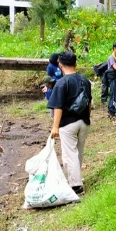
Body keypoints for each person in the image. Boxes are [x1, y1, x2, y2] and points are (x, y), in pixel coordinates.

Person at [47, 51, 92, 194]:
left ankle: (76, 186)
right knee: (78, 151)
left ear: (60, 65)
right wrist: (87, 118)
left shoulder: (61, 83)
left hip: (68, 123)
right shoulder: (85, 80)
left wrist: (55, 127)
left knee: (69, 154)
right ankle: (76, 178)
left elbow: (58, 107)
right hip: (84, 121)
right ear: (76, 64)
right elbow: (89, 102)